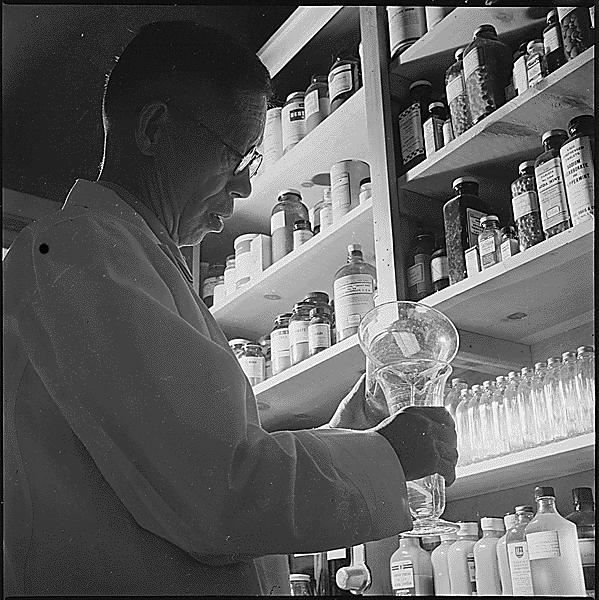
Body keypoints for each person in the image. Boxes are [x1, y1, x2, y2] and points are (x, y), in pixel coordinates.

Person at [3, 21, 458, 596]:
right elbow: (218, 493)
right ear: (156, 129)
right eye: (237, 155)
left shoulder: (128, 262)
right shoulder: (77, 254)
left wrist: (353, 435)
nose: (244, 188)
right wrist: (389, 458)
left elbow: (211, 468)